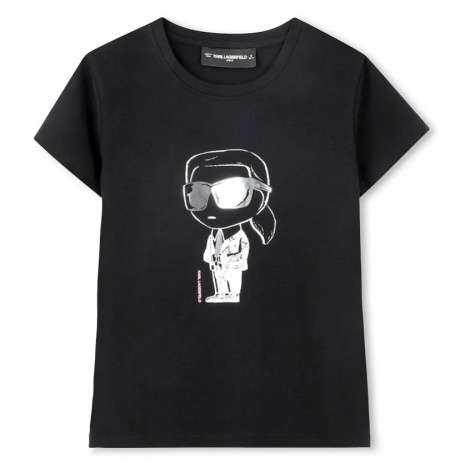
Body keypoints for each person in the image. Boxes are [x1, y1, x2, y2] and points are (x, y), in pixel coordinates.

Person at [183, 149, 276, 303]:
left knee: (233, 278)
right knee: (218, 277)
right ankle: (220, 293)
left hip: (233, 265)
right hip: (216, 264)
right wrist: (210, 258)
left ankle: (233, 294)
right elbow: (209, 249)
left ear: (262, 192)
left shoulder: (240, 236)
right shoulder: (213, 235)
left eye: (233, 193)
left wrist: (232, 259)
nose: (211, 204)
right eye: (198, 194)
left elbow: (243, 250)